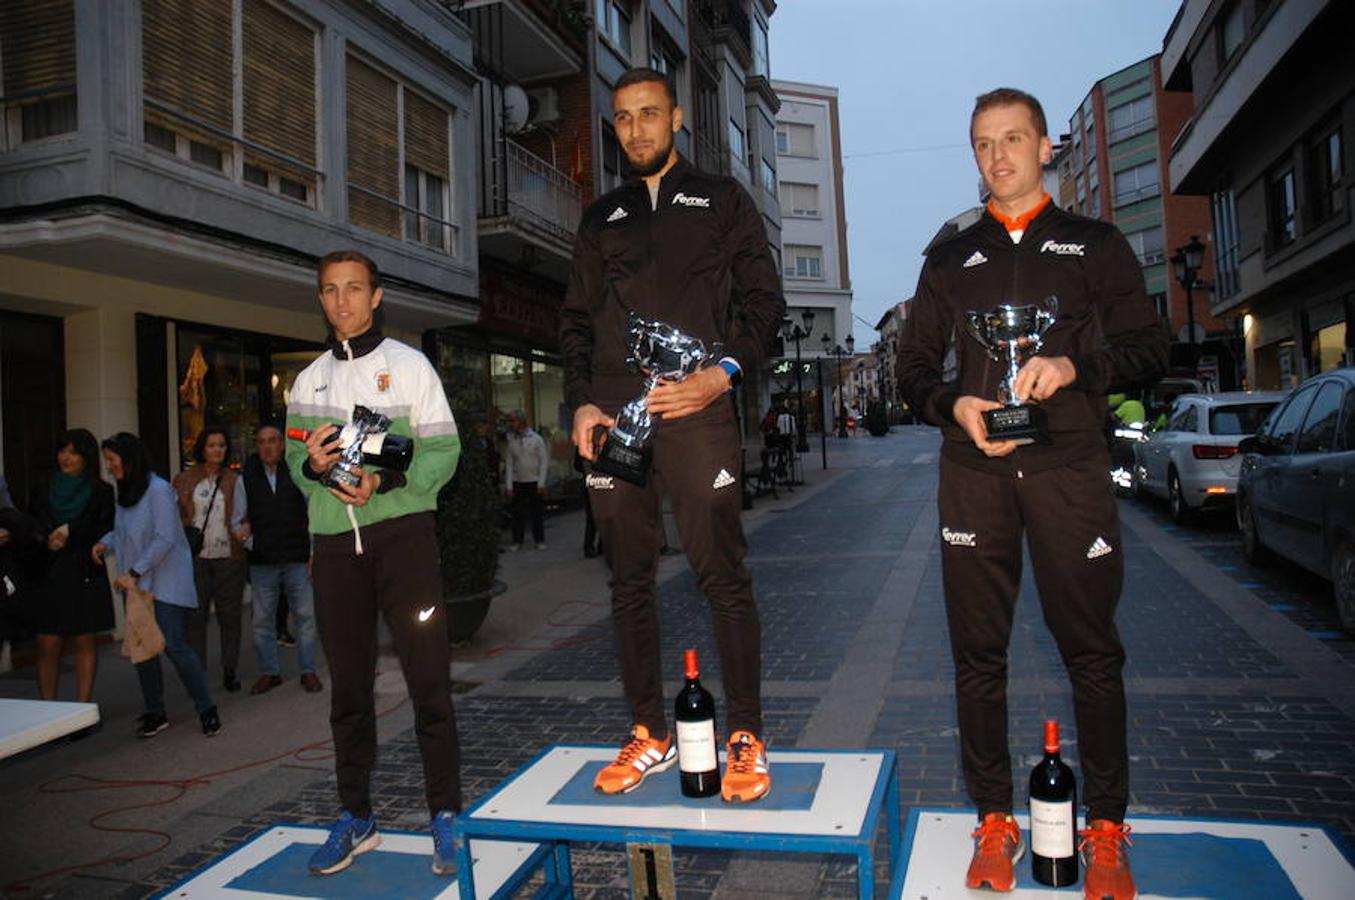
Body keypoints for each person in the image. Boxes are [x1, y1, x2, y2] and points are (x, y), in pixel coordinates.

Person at [895, 88, 1167, 899]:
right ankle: (992, 817)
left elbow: (1150, 345)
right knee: (976, 655)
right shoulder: (948, 257)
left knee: (1091, 652)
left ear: (1046, 147)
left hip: (1068, 472)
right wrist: (953, 405)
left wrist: (1074, 367)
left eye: (1013, 139)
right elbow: (912, 370)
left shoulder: (1095, 245)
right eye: (983, 144)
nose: (997, 156)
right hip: (973, 475)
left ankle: (1105, 827)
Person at [560, 67, 785, 803]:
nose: (636, 129)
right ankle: (649, 732)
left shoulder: (721, 199)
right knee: (627, 580)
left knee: (722, 574)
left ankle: (745, 734)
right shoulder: (601, 218)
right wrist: (580, 404)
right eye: (623, 118)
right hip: (615, 420)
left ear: (677, 117)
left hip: (697, 409)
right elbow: (574, 321)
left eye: (649, 114)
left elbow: (765, 304)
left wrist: (722, 374)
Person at [286, 249, 462, 876]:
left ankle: (446, 814)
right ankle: (357, 816)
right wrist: (313, 467)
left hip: (403, 540)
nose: (343, 301)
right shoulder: (307, 381)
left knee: (429, 683)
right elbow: (297, 466)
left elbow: (443, 452)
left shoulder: (410, 367)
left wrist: (384, 484)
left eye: (354, 288)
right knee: (349, 692)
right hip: (336, 548)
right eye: (331, 290)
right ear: (321, 298)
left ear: (377, 295)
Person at [94, 433, 221, 738]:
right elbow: (123, 532)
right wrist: (104, 542)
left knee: (174, 645)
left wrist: (135, 571)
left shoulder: (158, 489)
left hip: (163, 580)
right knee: (143, 646)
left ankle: (207, 708)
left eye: (112, 460)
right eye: (107, 460)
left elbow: (166, 537)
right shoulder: (127, 490)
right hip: (136, 583)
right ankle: (155, 711)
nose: (109, 466)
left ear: (129, 459)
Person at [31, 429, 116, 702]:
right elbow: (30, 521)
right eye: (62, 451)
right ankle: (48, 710)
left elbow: (105, 527)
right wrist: (45, 538)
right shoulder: (43, 485)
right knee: (47, 642)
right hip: (49, 570)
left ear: (86, 457)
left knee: (84, 639)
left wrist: (71, 530)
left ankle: (82, 709)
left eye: (73, 452)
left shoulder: (101, 491)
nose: (66, 457)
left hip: (84, 570)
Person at [241, 424, 321, 695]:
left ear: (282, 444)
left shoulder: (297, 472)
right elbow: (238, 518)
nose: (267, 446)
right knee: (262, 621)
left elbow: (311, 513)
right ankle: (270, 672)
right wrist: (251, 543)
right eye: (261, 442)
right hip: (263, 561)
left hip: (296, 557)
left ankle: (308, 671)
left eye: (272, 441)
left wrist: (312, 551)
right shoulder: (247, 476)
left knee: (305, 617)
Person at [174, 426, 249, 693]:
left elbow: (246, 514)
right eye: (211, 445)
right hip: (196, 558)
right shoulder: (183, 480)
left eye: (221, 445)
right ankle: (198, 675)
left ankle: (230, 670)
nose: (217, 450)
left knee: (230, 616)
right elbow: (175, 517)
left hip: (230, 557)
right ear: (202, 449)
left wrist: (246, 527)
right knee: (195, 618)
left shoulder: (235, 480)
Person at [503, 410, 548, 551]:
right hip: (518, 481)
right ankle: (517, 540)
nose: (512, 424)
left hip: (534, 480)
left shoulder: (537, 439)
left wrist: (541, 482)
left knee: (536, 512)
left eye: (514, 421)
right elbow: (509, 464)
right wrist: (509, 485)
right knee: (517, 513)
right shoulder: (512, 440)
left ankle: (539, 539)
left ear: (521, 421)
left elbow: (543, 462)